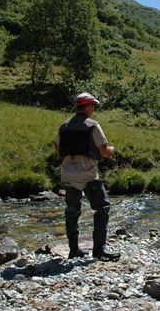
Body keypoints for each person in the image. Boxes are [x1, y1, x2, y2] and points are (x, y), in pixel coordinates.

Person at [55, 92, 120, 261]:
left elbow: (57, 148)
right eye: (93, 106)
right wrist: (111, 150)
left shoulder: (64, 126)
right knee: (102, 208)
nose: (93, 109)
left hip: (68, 174)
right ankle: (99, 249)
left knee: (72, 212)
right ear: (88, 106)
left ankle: (73, 250)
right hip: (88, 174)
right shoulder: (92, 125)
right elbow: (104, 152)